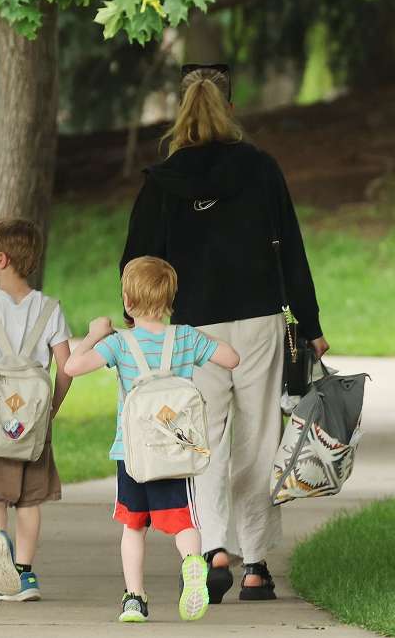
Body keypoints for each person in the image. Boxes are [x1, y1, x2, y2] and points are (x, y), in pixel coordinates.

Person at [119, 64, 329, 602]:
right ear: (230, 111)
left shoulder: (161, 182)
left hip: (190, 328)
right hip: (257, 320)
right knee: (258, 438)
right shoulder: (260, 169)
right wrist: (310, 326)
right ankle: (255, 563)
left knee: (201, 440)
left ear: (179, 116)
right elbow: (293, 249)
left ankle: (212, 550)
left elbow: (136, 262)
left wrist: (137, 326)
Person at [65, 256, 240, 623]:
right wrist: (196, 335)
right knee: (184, 522)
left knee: (133, 526)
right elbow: (232, 358)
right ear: (170, 300)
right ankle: (193, 563)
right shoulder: (185, 338)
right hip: (176, 452)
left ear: (127, 302)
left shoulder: (120, 343)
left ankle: (134, 598)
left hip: (132, 454)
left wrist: (96, 333)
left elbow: (71, 367)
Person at [0, 218, 73, 601]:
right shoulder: (50, 308)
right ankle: (24, 573)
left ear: (1, 259)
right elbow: (66, 368)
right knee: (29, 499)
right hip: (32, 426)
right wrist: (49, 409)